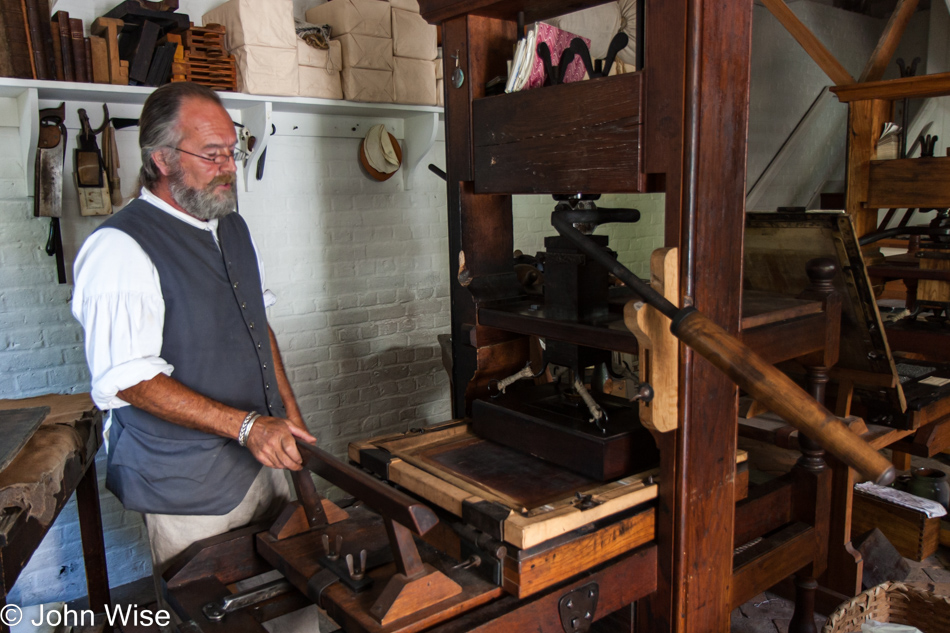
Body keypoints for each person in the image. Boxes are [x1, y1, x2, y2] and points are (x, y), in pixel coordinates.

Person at [72, 82, 317, 589]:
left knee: (293, 594)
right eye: (212, 154)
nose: (230, 166)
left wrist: (289, 417)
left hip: (262, 462)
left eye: (234, 150)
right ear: (161, 158)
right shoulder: (119, 248)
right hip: (187, 489)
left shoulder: (232, 227)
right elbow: (131, 380)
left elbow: (257, 327)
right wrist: (250, 427)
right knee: (214, 614)